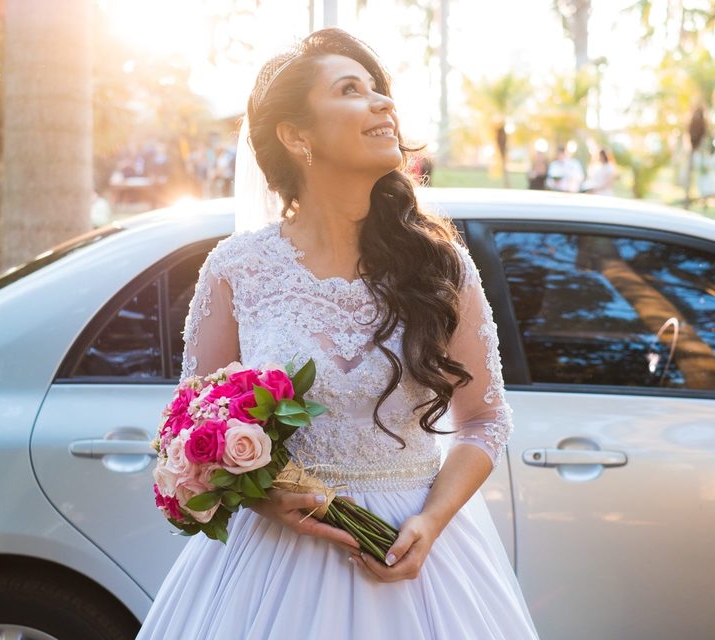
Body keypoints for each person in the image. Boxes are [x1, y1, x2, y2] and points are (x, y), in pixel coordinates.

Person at [136, 28, 539, 640]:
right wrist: (263, 494)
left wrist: (430, 523)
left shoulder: (441, 267)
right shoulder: (237, 270)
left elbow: (485, 419)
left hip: (418, 557)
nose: (383, 104)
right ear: (296, 135)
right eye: (352, 90)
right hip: (272, 567)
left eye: (380, 90)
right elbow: (192, 425)